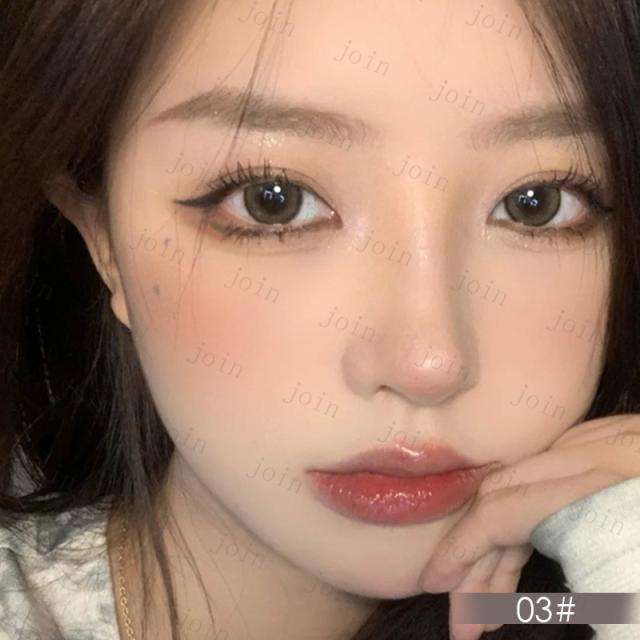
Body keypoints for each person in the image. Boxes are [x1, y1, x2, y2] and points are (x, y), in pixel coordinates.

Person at [1, 1, 640, 639]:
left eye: (536, 204)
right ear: (104, 239)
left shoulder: (595, 596)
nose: (427, 363)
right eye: (272, 202)